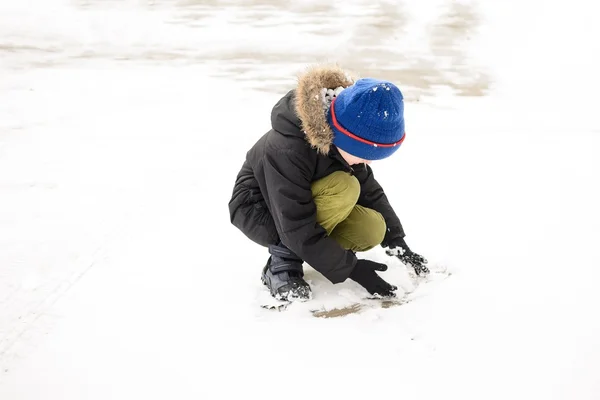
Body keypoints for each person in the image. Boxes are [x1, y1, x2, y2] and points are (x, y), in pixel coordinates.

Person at [228, 64, 428, 302]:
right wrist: (351, 269)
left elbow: (371, 193)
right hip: (261, 210)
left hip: (304, 207)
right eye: (365, 155)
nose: (368, 163)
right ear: (347, 138)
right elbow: (294, 220)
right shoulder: (288, 148)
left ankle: (317, 252)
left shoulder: (341, 142)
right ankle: (282, 264)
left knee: (372, 228)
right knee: (345, 187)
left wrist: (397, 242)